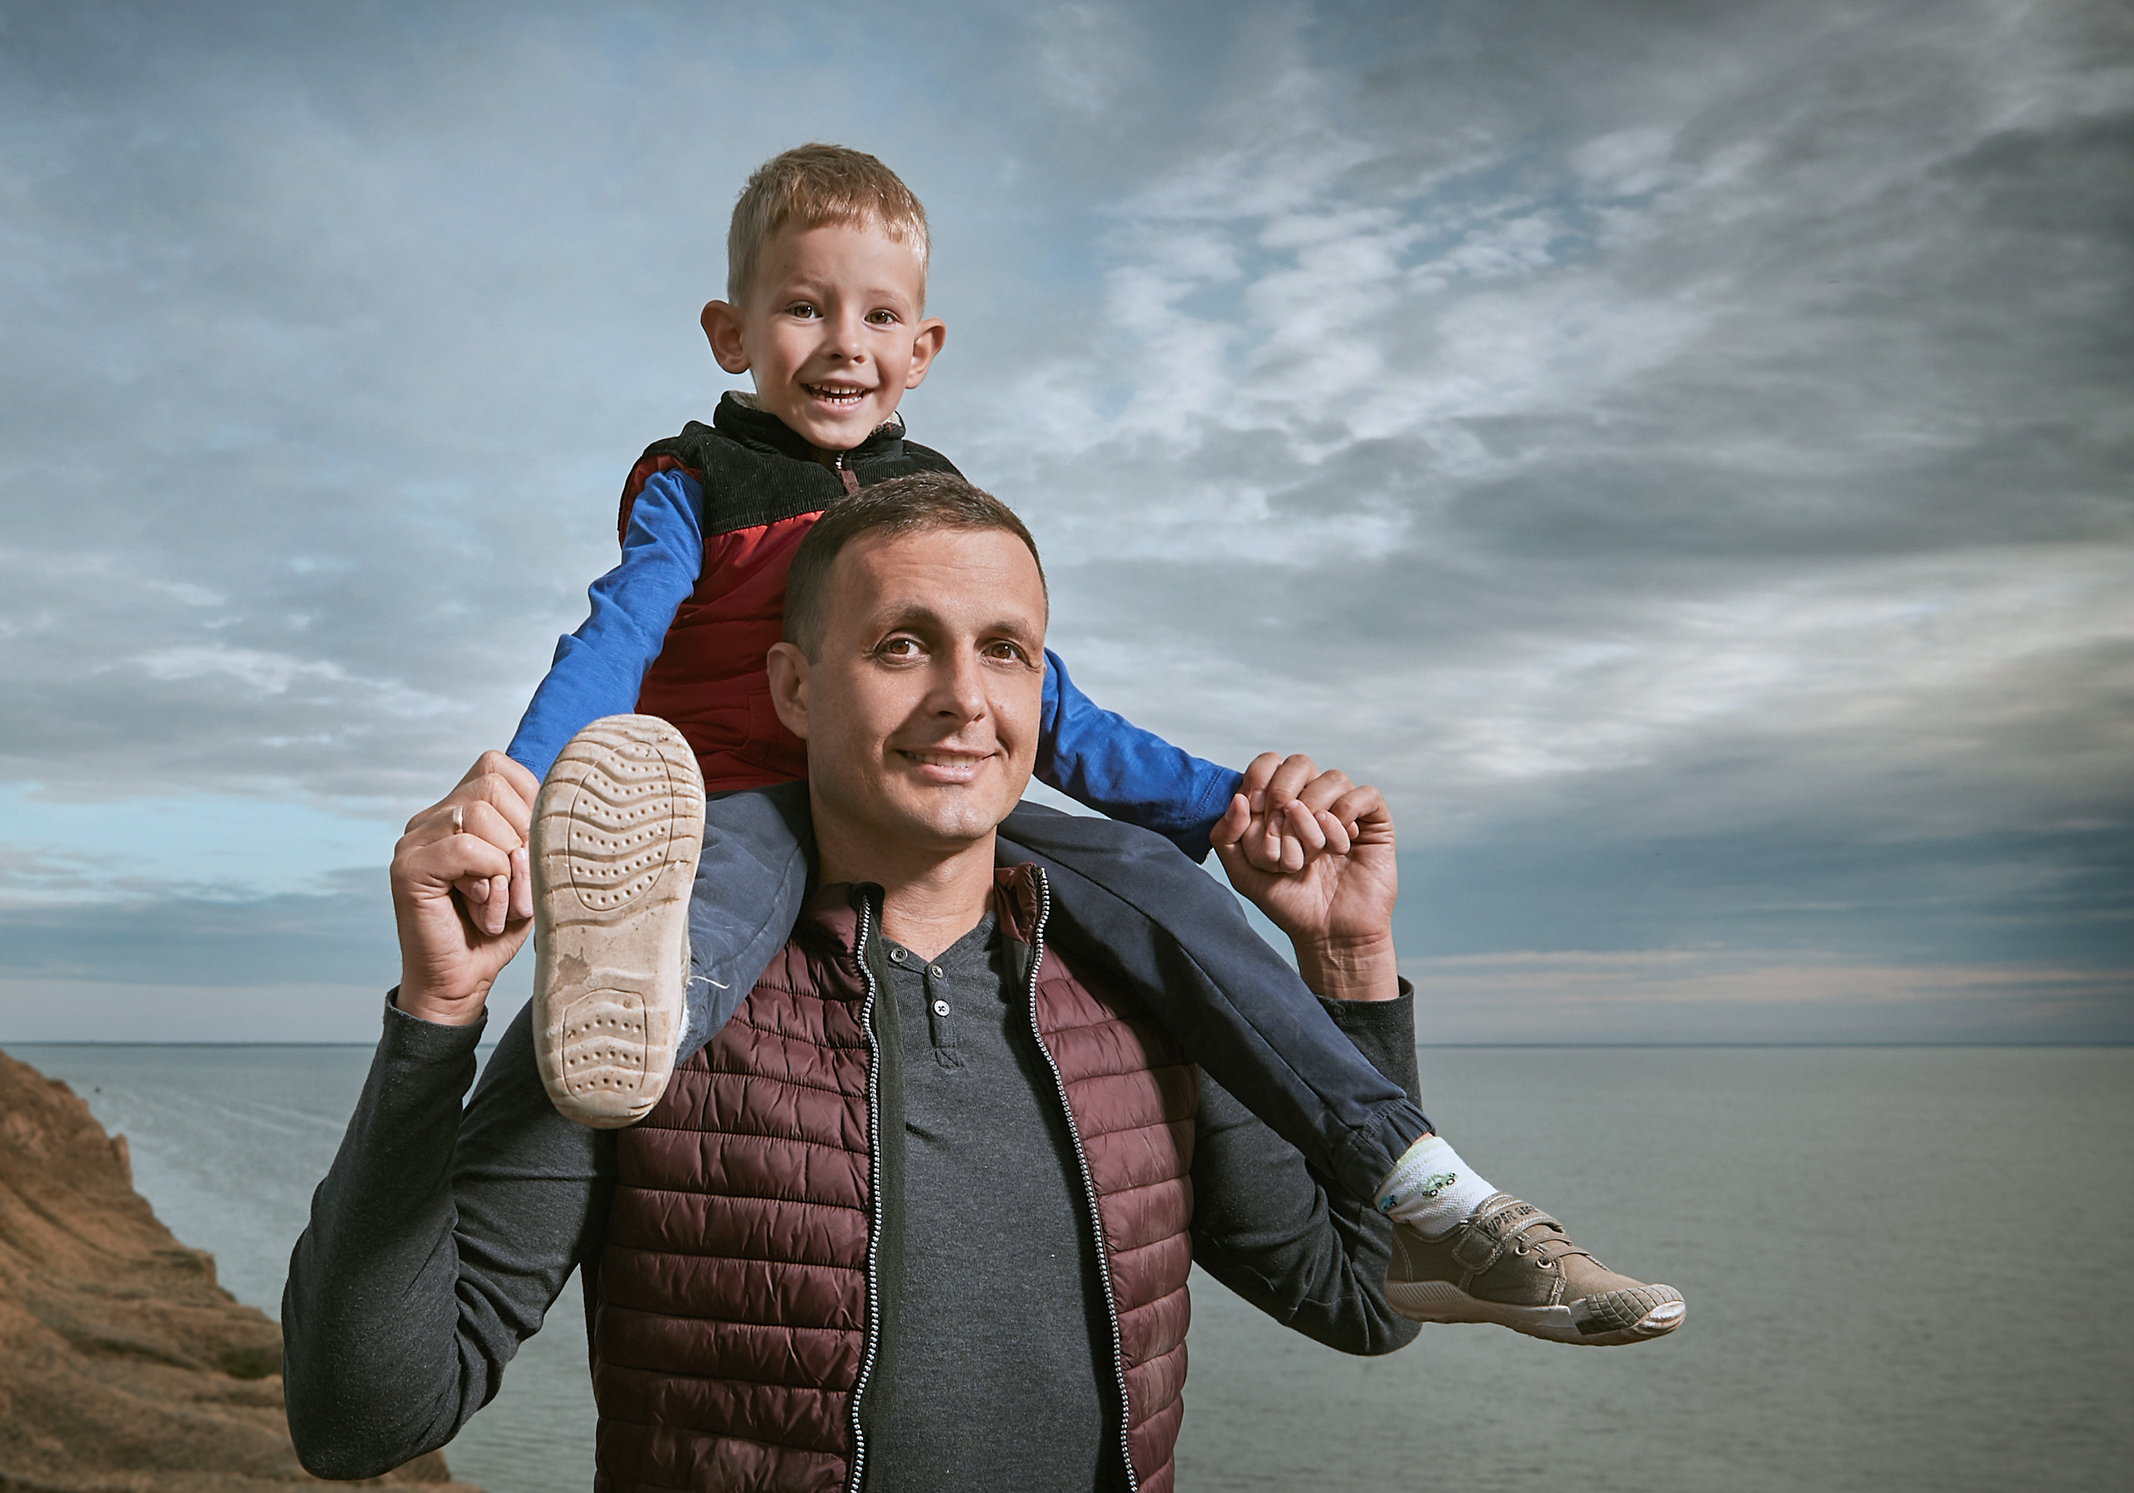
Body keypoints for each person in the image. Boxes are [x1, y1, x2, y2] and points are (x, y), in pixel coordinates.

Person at [284, 480, 1678, 1493]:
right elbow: (365, 1409)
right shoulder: (646, 993)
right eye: (903, 644)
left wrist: (1348, 957)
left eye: (1006, 650)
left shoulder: (1149, 983)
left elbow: (1362, 1293)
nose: (965, 697)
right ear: (788, 688)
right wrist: (441, 1012)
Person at [501, 142, 1677, 1343]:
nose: (844, 342)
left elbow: (1052, 714)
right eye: (804, 308)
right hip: (744, 794)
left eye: (879, 315)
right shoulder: (696, 478)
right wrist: (518, 787)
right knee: (705, 920)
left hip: (942, 805)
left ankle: (1436, 1198)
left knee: (1163, 884)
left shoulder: (939, 502)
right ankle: (625, 1022)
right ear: (729, 331)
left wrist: (1223, 808)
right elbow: (618, 629)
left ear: (923, 349)